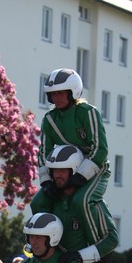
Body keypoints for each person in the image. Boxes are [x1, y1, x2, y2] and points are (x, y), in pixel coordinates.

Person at [38, 68, 110, 203]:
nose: (56, 97)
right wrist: (46, 181)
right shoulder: (49, 119)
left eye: (60, 93)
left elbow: (100, 148)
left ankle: (104, 225)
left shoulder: (88, 112)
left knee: (81, 201)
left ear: (73, 92)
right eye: (53, 94)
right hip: (64, 171)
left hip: (96, 168)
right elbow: (43, 153)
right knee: (38, 202)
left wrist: (81, 176)